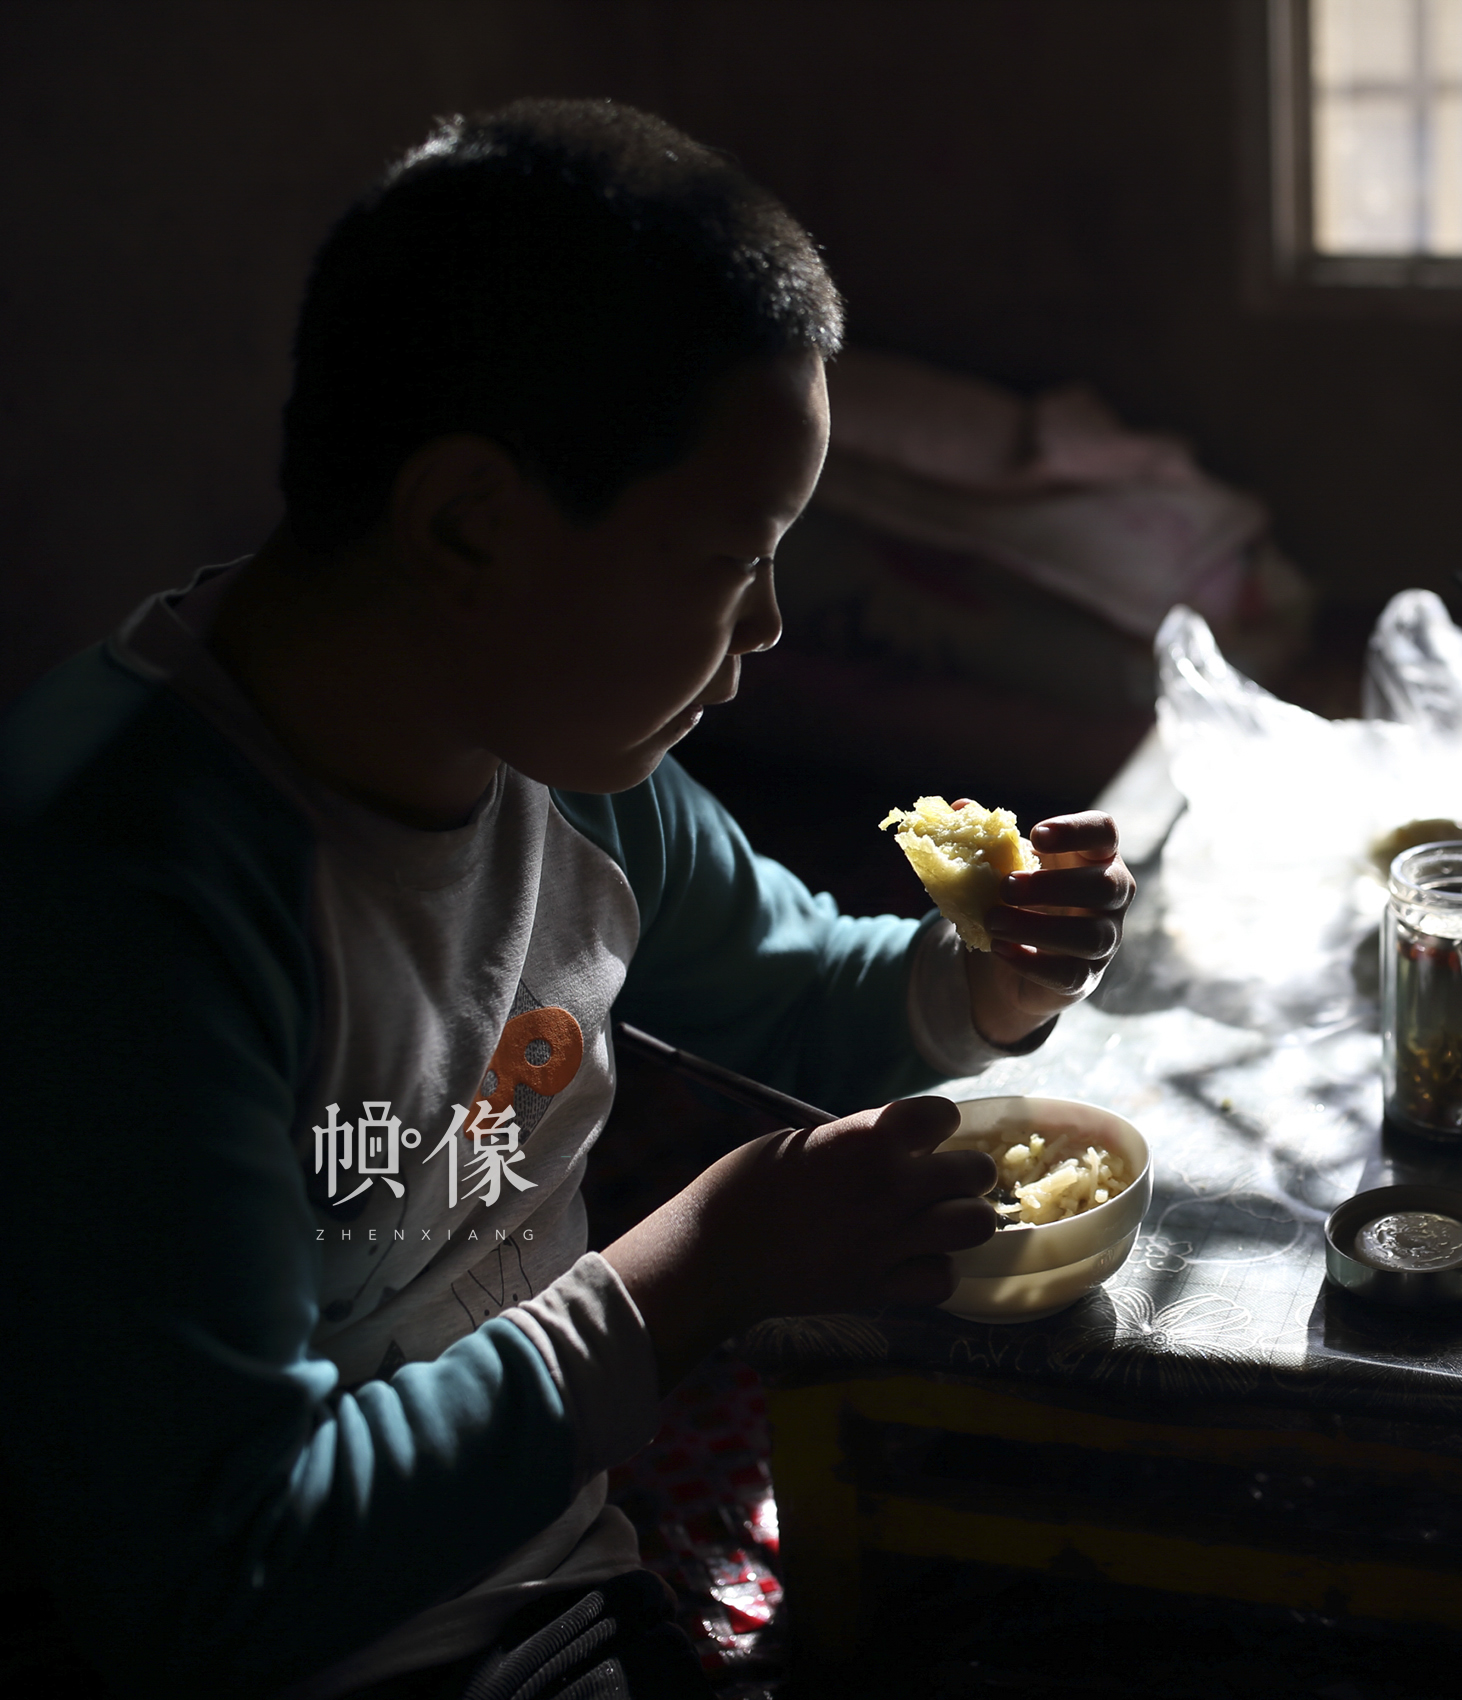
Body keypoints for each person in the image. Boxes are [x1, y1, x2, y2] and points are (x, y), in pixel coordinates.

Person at [0, 101, 1132, 1697]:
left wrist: (992, 978)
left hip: (550, 1579)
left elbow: (808, 991)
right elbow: (214, 1576)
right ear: (471, 525)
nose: (773, 633)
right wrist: (704, 1267)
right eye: (735, 558)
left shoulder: (559, 762)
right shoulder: (119, 897)